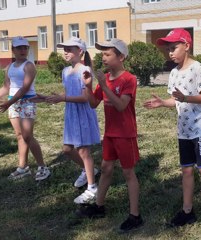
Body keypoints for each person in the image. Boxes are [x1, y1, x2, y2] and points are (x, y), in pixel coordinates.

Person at [143, 28, 201, 226]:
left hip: (200, 128)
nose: (170, 52)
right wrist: (163, 103)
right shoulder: (174, 73)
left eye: (174, 47)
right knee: (186, 170)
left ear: (187, 45)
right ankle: (187, 211)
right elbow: (175, 100)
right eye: (168, 49)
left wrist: (186, 98)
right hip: (183, 130)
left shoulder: (197, 68)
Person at [76, 38, 143, 233]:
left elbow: (122, 106)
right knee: (106, 169)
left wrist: (104, 86)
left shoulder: (128, 79)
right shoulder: (105, 78)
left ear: (121, 57)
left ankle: (135, 215)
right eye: (102, 54)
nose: (103, 58)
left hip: (125, 134)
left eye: (107, 54)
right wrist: (89, 86)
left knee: (128, 173)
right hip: (111, 134)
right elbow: (93, 103)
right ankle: (99, 207)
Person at [41, 37, 100, 204]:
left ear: (80, 51)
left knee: (84, 151)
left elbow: (84, 98)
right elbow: (66, 93)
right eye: (64, 49)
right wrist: (48, 97)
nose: (65, 52)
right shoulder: (65, 71)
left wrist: (63, 98)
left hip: (82, 113)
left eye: (70, 49)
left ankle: (92, 187)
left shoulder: (85, 70)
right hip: (71, 113)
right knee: (67, 149)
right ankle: (88, 170)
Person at [0, 36, 50, 181]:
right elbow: (7, 87)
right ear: (13, 50)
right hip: (13, 103)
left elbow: (25, 88)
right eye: (19, 48)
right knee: (20, 136)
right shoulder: (9, 67)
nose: (23, 50)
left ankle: (42, 167)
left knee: (27, 136)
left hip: (26, 102)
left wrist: (8, 103)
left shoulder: (29, 66)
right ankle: (23, 167)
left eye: (25, 47)